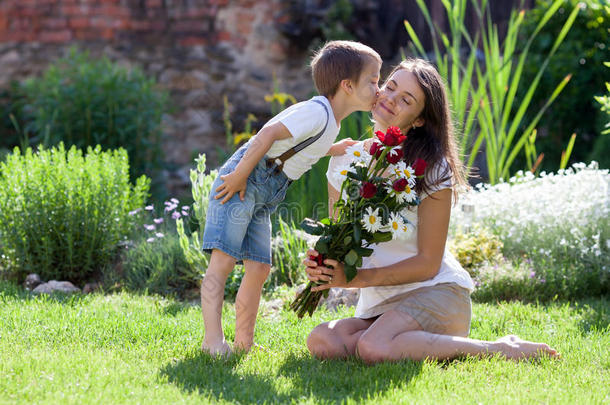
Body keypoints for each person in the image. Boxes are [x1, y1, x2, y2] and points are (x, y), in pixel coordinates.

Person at [303, 58, 560, 363]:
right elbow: (342, 238)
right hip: (383, 305)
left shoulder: (431, 168)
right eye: (390, 87)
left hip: (437, 292)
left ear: (419, 120)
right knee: (322, 340)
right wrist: (324, 263)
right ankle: (409, 342)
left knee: (373, 348)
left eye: (406, 100)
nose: (390, 99)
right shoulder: (344, 160)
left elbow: (428, 264)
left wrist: (353, 279)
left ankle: (500, 348)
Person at [200, 40, 382, 356]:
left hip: (264, 192)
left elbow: (301, 145)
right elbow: (266, 135)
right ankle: (212, 341)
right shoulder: (316, 111)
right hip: (243, 180)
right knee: (224, 260)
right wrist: (241, 174)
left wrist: (334, 149)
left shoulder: (330, 121)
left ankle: (244, 342)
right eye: (374, 81)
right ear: (348, 86)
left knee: (259, 268)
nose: (379, 88)